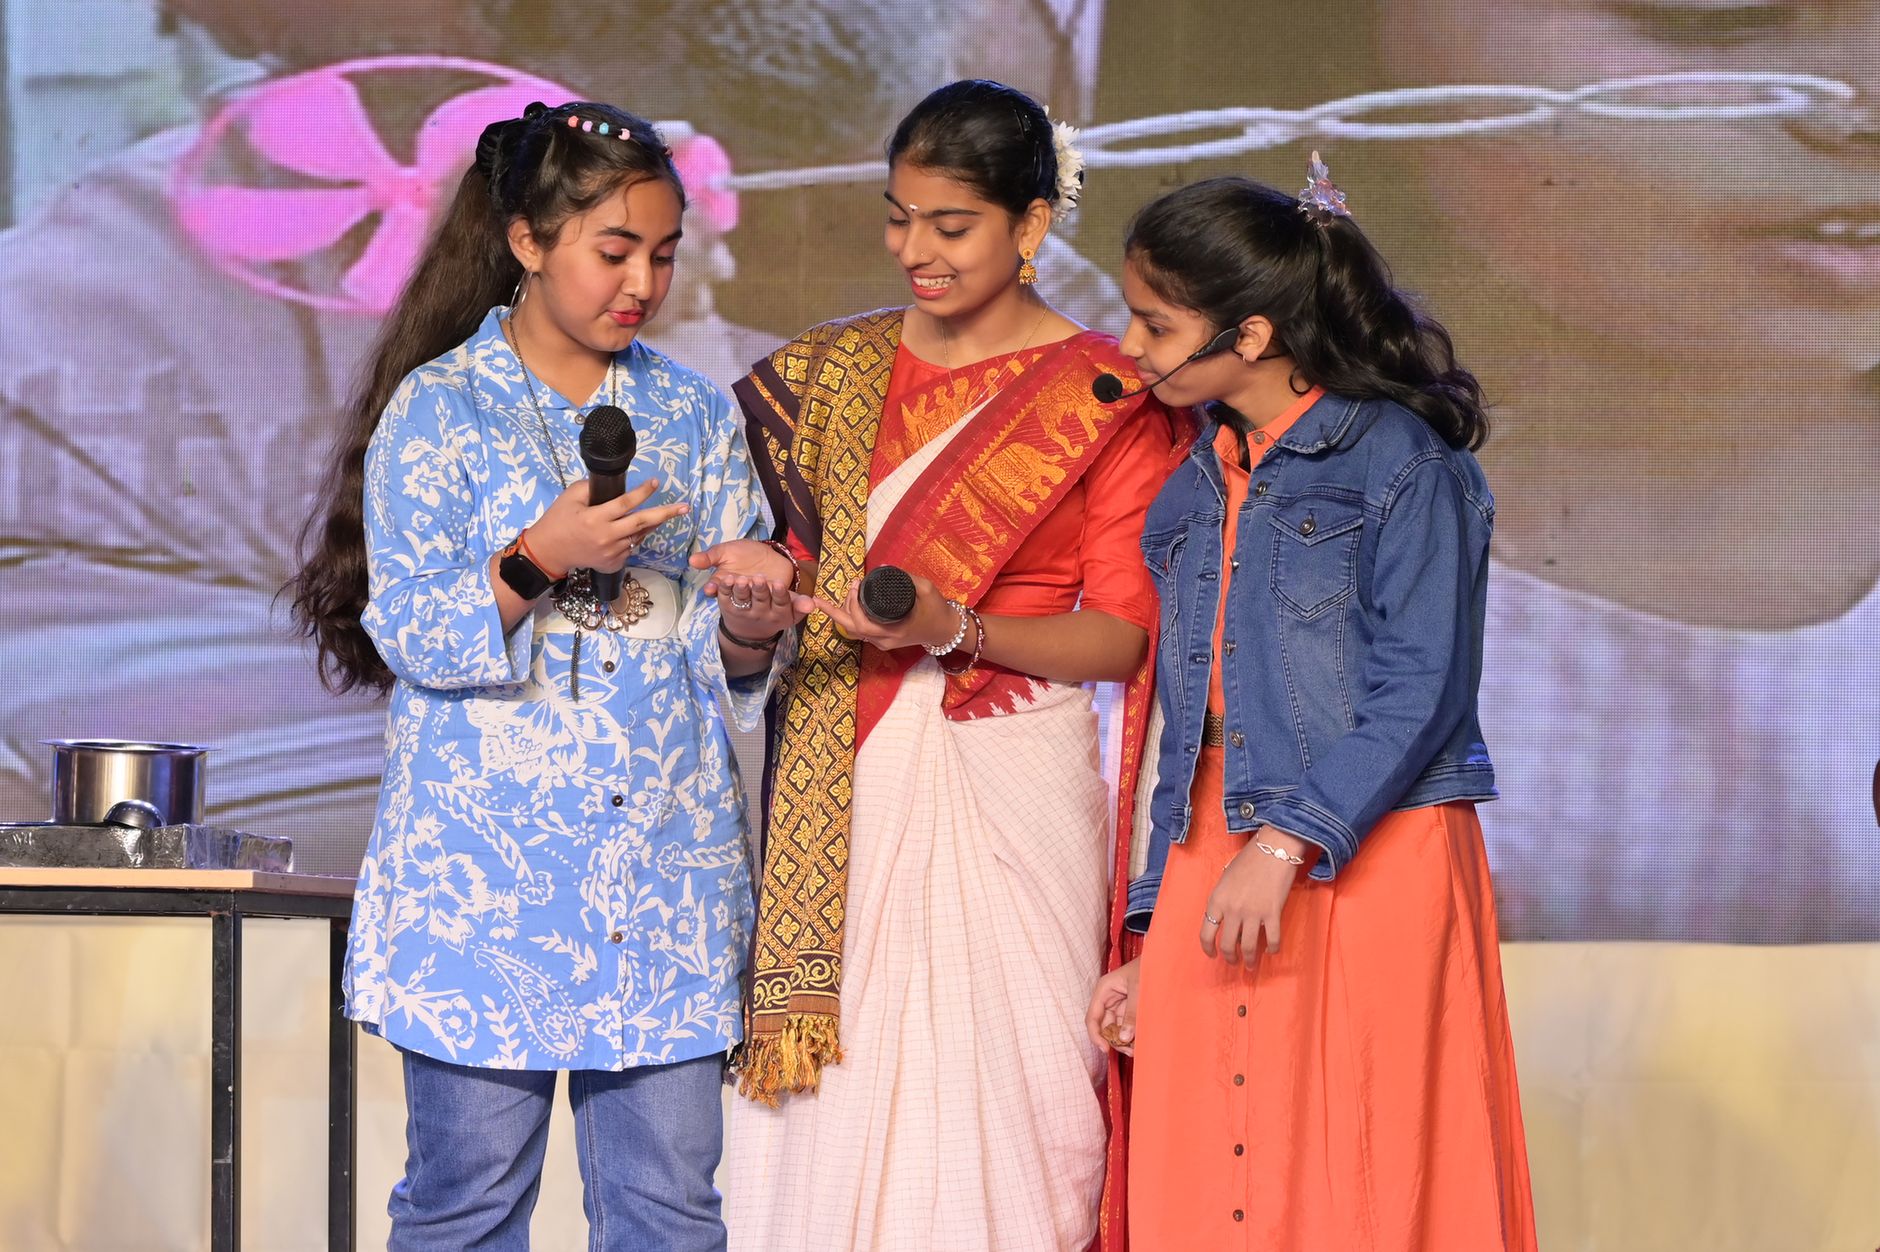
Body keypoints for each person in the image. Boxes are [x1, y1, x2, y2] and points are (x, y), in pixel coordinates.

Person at [287, 100, 788, 1248]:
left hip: (661, 878)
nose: (642, 283)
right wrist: (535, 556)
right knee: (464, 1207)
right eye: (613, 252)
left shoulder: (691, 411)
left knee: (669, 1212)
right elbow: (413, 634)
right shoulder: (440, 409)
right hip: (483, 887)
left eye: (662, 254)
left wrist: (752, 622)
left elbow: (709, 643)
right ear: (525, 239)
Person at [708, 79, 1177, 1252]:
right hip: (837, 777)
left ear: (1030, 224)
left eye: (950, 225)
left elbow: (1121, 638)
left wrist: (953, 628)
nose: (914, 250)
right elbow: (784, 583)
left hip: (1003, 770)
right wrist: (758, 599)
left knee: (1003, 1099)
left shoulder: (1106, 395)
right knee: (834, 1094)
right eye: (897, 217)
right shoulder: (823, 378)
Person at [1088, 162, 1536, 1249]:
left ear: (1249, 335)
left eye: (1155, 325)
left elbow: (1423, 685)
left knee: (1365, 1172)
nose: (1129, 347)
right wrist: (1152, 928)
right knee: (1210, 1178)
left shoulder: (1401, 463)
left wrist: (1288, 840)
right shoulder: (1190, 486)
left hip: (1370, 844)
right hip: (1212, 848)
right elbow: (1181, 719)